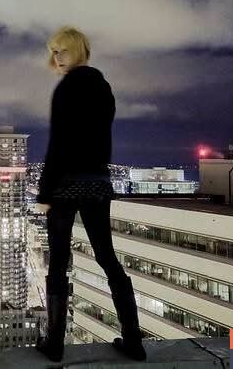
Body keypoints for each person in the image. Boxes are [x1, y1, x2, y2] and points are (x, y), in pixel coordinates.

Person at [35, 26, 146, 363]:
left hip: (66, 183)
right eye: (54, 52)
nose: (57, 57)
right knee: (107, 257)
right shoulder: (103, 87)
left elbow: (58, 143)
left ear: (79, 50)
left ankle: (55, 344)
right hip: (97, 182)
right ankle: (133, 340)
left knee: (58, 260)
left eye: (63, 50)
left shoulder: (66, 88)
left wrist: (45, 191)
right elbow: (101, 138)